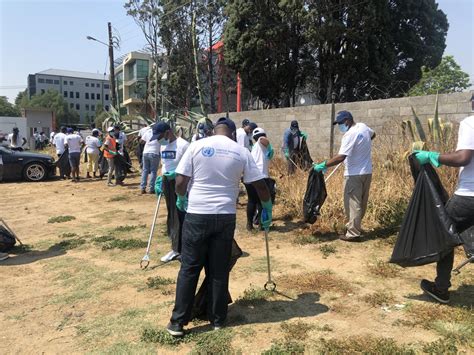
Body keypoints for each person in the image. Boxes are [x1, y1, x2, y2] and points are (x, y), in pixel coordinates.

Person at [166, 117, 272, 337]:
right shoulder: (240, 151)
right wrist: (267, 208)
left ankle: (178, 323)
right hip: (225, 217)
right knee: (218, 269)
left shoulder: (197, 145)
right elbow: (260, 185)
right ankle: (218, 319)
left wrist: (181, 198)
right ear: (233, 134)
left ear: (213, 131)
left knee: (189, 268)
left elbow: (180, 181)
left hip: (197, 214)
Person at [414, 115, 474, 304]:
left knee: (444, 233)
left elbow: (463, 158)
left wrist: (434, 156)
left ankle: (440, 288)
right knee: (463, 229)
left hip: (469, 195)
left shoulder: (470, 122)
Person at [313, 111, 375, 241]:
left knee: (352, 204)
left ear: (347, 121)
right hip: (367, 172)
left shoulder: (349, 135)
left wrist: (323, 165)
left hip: (353, 174)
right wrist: (360, 146)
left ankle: (353, 234)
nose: (340, 126)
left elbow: (340, 157)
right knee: (361, 203)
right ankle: (356, 228)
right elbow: (373, 134)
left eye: (340, 123)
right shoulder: (363, 127)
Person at [151, 122, 190, 262]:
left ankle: (183, 249)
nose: (157, 140)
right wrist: (160, 179)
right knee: (172, 215)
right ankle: (175, 248)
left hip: (180, 182)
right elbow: (164, 165)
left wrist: (178, 175)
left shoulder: (183, 145)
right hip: (168, 181)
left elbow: (191, 165)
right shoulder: (163, 146)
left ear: (168, 132)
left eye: (159, 136)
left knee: (182, 216)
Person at [245, 127, 275, 230]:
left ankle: (249, 225)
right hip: (260, 176)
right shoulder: (261, 141)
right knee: (262, 201)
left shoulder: (255, 147)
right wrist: (270, 146)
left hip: (250, 176)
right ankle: (262, 224)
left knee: (252, 200)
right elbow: (263, 139)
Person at [139, 125, 160, 194]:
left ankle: (142, 188)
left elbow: (141, 141)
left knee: (145, 170)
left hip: (145, 152)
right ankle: (151, 188)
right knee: (153, 171)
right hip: (154, 153)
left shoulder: (148, 132)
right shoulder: (159, 132)